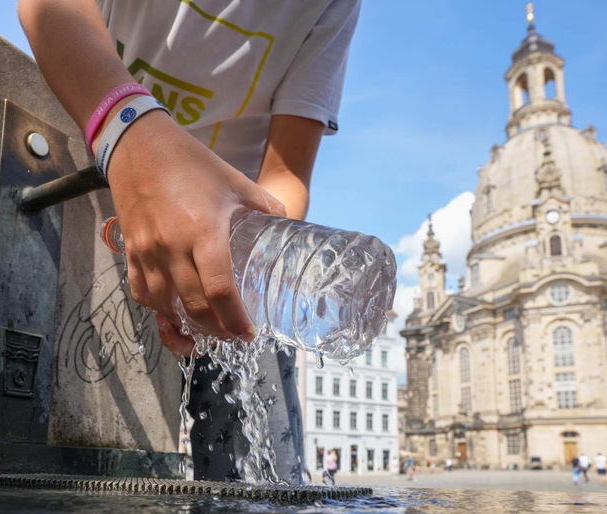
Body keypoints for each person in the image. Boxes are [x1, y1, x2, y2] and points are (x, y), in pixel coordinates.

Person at [19, 0, 361, 483]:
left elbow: (286, 173)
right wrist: (128, 130)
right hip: (110, 169)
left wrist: (252, 263)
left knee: (264, 496)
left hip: (232, 245)